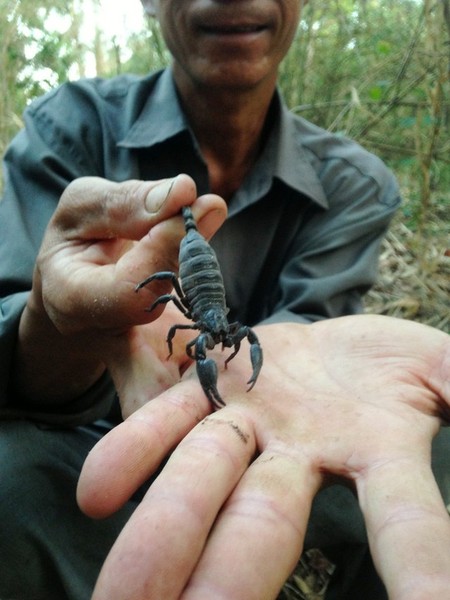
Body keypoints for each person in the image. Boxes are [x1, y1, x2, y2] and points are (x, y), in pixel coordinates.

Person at [0, 0, 448, 598]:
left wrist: (257, 374)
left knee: (425, 448)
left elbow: (293, 329)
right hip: (89, 446)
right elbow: (157, 292)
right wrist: (67, 322)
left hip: (275, 439)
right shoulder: (72, 128)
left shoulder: (354, 184)